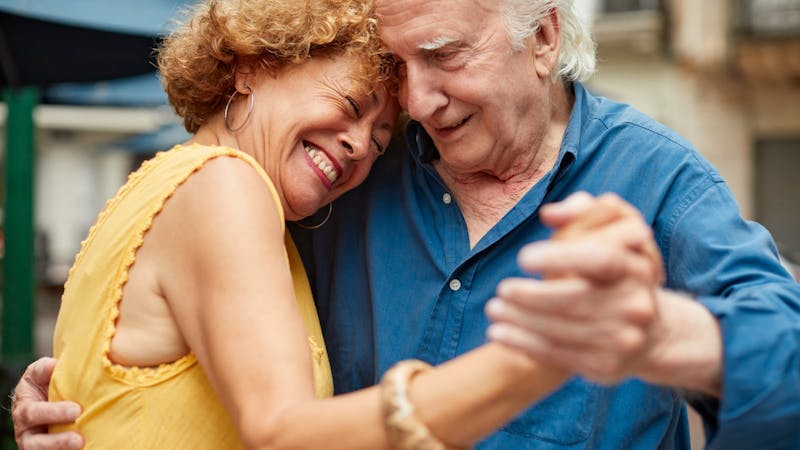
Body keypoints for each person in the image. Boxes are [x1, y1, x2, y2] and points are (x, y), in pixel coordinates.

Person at [13, 0, 800, 449]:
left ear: (545, 37)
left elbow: (789, 368)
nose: (416, 102)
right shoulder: (332, 185)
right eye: (396, 72)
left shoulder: (654, 179)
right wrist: (85, 400)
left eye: (445, 55)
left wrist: (667, 334)